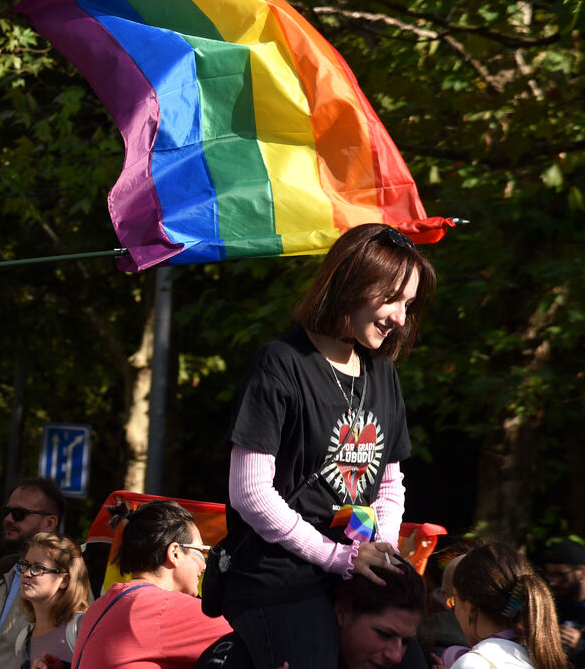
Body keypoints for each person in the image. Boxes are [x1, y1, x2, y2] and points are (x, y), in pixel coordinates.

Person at [222, 224, 436, 669]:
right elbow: (250, 492)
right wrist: (339, 557)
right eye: (392, 299)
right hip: (281, 580)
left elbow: (389, 486)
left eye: (409, 304)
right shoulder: (281, 363)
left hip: (354, 575)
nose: (401, 317)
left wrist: (382, 550)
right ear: (352, 284)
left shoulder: (384, 375)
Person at [70, 499, 230, 669]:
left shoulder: (98, 606)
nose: (204, 565)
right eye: (201, 552)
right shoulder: (162, 608)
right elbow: (247, 626)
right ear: (175, 553)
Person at [196, 553, 426, 669]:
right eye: (384, 634)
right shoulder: (241, 657)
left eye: (406, 641)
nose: (396, 655)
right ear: (343, 611)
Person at [0, 478, 65, 669]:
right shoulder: (8, 575)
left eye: (19, 514)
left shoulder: (64, 583)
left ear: (49, 523)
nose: (8, 519)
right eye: (7, 512)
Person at [450, 542, 567, 669]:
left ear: (470, 606)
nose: (454, 611)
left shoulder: (474, 663)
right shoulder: (540, 658)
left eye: (454, 601)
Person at [14, 533, 89, 669]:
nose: (26, 573)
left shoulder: (81, 627)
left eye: (38, 568)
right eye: (25, 565)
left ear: (64, 580)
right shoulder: (23, 638)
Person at [544, 540, 585, 667]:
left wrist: (580, 645)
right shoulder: (552, 606)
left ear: (582, 571)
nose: (553, 582)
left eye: (560, 574)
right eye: (550, 575)